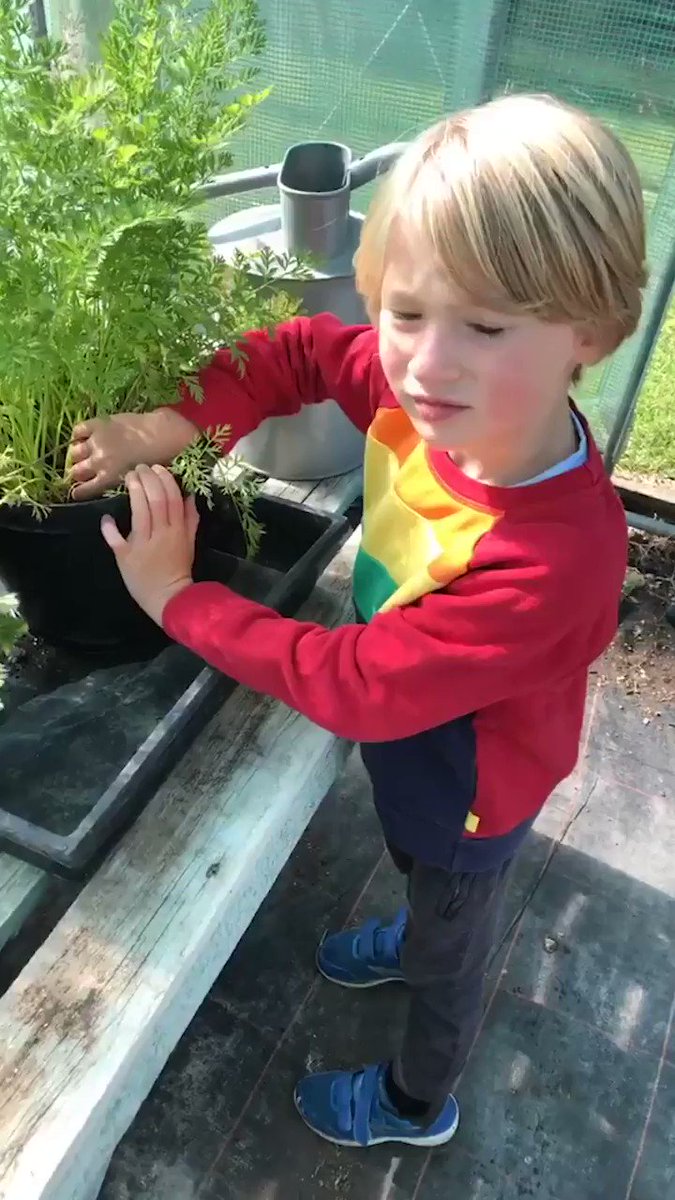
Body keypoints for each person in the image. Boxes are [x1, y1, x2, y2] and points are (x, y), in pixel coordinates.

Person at [68, 93, 645, 1149]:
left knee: (451, 940)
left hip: (477, 789)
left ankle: (417, 1103)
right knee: (412, 858)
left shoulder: (553, 560)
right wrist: (173, 418)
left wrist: (176, 596)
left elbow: (357, 684)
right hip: (420, 729)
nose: (426, 361)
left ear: (591, 335)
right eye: (407, 310)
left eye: (484, 325)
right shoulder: (429, 391)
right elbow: (297, 350)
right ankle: (414, 918)